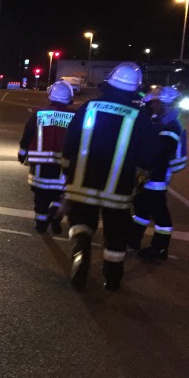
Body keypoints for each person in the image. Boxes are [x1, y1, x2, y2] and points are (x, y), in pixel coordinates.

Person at [62, 62, 158, 291]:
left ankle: (81, 252)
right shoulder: (139, 117)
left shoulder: (89, 107)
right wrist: (142, 175)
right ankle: (112, 278)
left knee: (81, 222)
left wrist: (67, 170)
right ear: (134, 89)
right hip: (118, 187)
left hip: (83, 181)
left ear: (109, 84)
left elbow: (71, 140)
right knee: (116, 234)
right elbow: (148, 155)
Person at [128, 85, 187, 261]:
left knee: (159, 212)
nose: (152, 106)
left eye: (155, 103)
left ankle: (159, 248)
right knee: (141, 208)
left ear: (164, 104)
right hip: (150, 175)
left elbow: (159, 154)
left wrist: (144, 169)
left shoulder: (170, 126)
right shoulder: (164, 121)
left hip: (156, 177)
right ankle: (133, 240)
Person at [18, 80, 75, 234]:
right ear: (69, 98)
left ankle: (41, 225)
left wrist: (22, 154)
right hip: (63, 166)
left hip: (40, 165)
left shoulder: (40, 114)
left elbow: (28, 134)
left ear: (50, 95)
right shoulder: (74, 117)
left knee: (41, 197)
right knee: (60, 194)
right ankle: (55, 214)